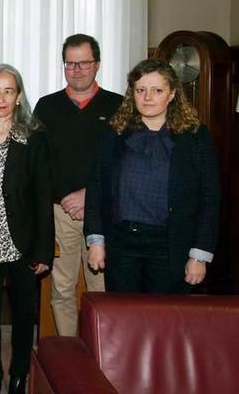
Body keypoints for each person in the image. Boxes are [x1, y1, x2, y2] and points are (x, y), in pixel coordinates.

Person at [85, 59, 220, 293]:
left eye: (157, 90)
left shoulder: (195, 137)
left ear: (172, 94)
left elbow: (210, 198)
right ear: (132, 94)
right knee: (124, 321)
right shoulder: (114, 132)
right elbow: (96, 187)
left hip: (171, 245)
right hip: (122, 244)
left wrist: (199, 255)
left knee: (164, 322)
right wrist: (96, 240)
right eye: (140, 90)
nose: (147, 97)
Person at [0, 64, 53, 394]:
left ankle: (19, 375)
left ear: (18, 97)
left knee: (23, 314)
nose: (1, 98)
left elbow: (43, 197)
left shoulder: (34, 140)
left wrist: (43, 250)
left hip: (23, 242)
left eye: (8, 91)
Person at [32, 34, 122, 336]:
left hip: (104, 212)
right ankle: (70, 354)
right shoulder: (47, 107)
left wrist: (90, 195)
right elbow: (38, 163)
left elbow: (123, 164)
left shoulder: (118, 106)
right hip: (60, 213)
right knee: (61, 288)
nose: (77, 69)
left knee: (100, 288)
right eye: (70, 63)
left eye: (83, 63)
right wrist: (62, 198)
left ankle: (101, 355)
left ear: (96, 65)